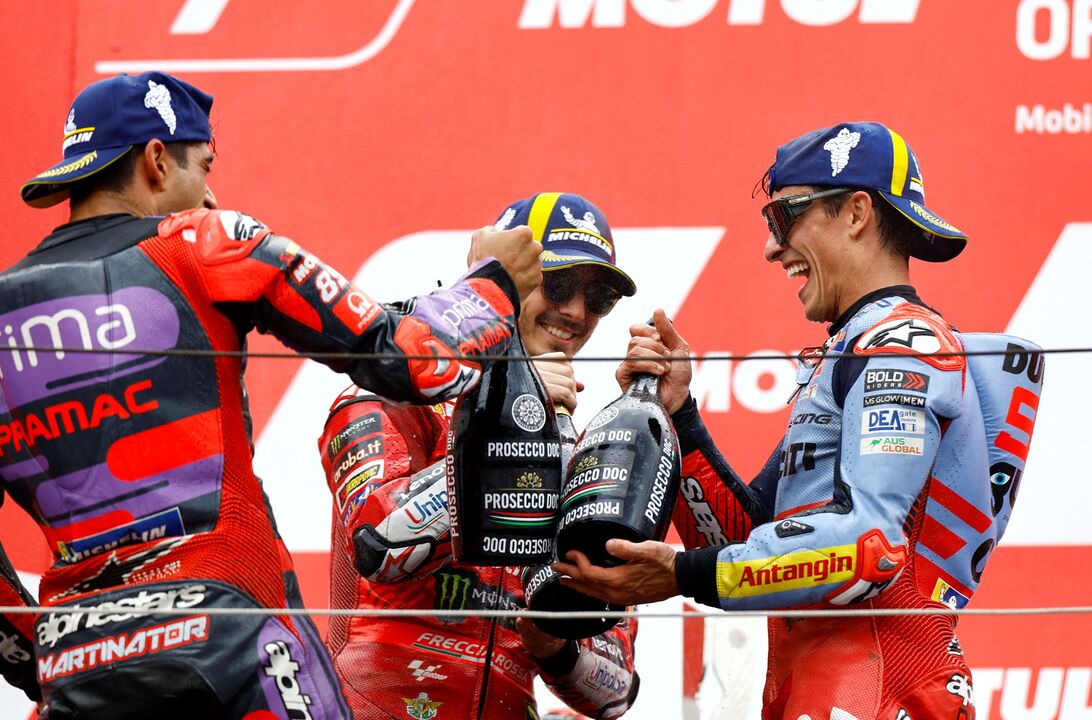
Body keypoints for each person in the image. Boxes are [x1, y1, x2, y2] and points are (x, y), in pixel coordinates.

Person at [0, 71, 541, 719]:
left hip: (77, 659)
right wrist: (494, 283)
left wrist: (40, 660)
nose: (211, 192)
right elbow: (419, 362)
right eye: (204, 166)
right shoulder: (205, 240)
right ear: (156, 161)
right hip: (235, 641)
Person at [553, 123, 1045, 719]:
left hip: (883, 688)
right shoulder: (852, 350)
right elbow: (744, 547)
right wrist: (679, 416)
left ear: (856, 213)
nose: (771, 247)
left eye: (784, 217)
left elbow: (868, 546)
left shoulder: (901, 347)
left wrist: (681, 574)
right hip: (823, 685)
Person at [318, 193, 641, 720]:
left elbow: (616, 692)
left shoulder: (580, 452)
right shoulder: (392, 396)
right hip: (373, 703)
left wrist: (555, 646)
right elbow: (378, 545)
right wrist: (510, 420)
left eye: (599, 297)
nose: (577, 312)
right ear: (508, 280)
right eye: (558, 284)